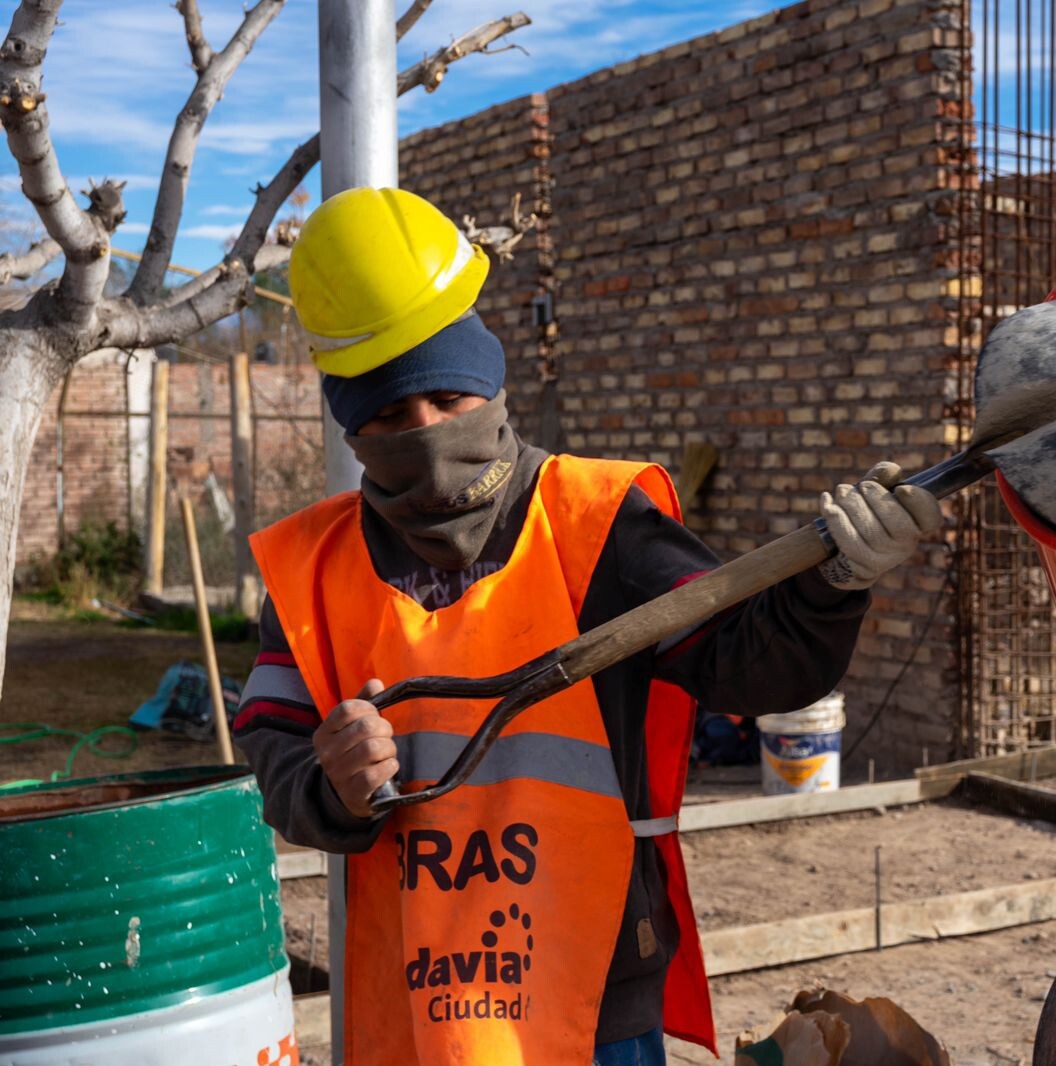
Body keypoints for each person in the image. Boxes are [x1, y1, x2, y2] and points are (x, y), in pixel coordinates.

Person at [233, 187, 942, 1066]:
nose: (425, 432)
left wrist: (836, 582)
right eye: (387, 417)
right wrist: (331, 786)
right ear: (349, 421)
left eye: (449, 398)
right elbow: (275, 752)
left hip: (591, 989)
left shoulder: (598, 524)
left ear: (490, 382)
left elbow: (749, 664)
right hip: (409, 996)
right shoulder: (313, 567)